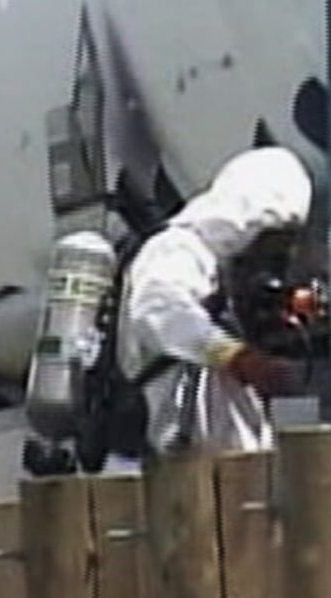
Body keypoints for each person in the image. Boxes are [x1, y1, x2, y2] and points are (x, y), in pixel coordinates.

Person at [115, 144, 315, 455]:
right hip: (175, 468)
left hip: (231, 471)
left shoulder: (228, 271)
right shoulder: (179, 249)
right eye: (271, 237)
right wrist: (235, 357)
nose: (275, 253)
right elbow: (159, 311)